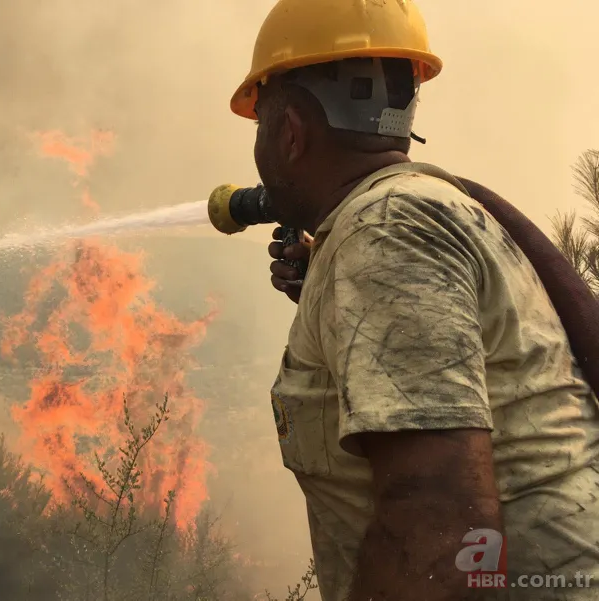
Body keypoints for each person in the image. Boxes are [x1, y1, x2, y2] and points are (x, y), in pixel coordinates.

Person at [228, 1, 599, 599]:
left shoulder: (385, 234)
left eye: (259, 123)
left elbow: (438, 533)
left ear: (291, 130)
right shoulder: (415, 213)